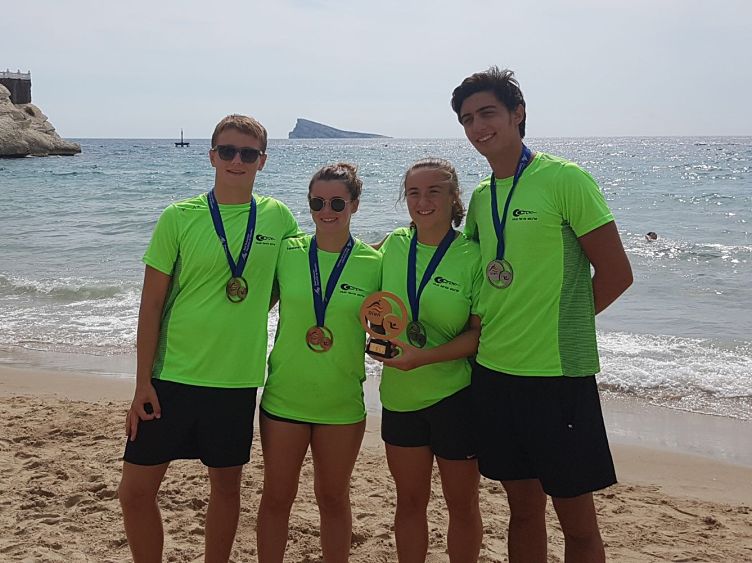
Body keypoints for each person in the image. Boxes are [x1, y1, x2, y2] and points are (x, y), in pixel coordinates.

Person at [451, 67, 633, 563]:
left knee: (577, 523)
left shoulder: (565, 179)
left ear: (518, 113)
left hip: (558, 379)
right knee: (523, 512)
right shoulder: (482, 199)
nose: (477, 126)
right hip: (494, 375)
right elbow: (472, 275)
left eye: (487, 113)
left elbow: (617, 273)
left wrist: (563, 324)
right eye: (467, 119)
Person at [117, 114, 300, 563]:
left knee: (226, 489)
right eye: (228, 151)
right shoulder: (179, 217)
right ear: (212, 155)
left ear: (263, 161)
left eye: (248, 153)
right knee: (134, 491)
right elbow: (151, 306)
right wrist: (142, 382)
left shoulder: (279, 218)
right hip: (171, 376)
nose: (237, 161)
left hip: (236, 381)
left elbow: (295, 283)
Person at [256, 163, 381, 563]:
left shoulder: (374, 263)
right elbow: (250, 301)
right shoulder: (286, 252)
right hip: (283, 399)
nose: (326, 210)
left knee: (333, 499)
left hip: (341, 403)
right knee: (276, 497)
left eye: (337, 202)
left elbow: (391, 323)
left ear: (355, 205)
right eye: (317, 202)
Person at [373, 158, 483, 563]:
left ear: (454, 197)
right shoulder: (391, 245)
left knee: (463, 505)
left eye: (434, 191)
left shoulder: (472, 256)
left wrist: (424, 356)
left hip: (455, 397)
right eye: (414, 193)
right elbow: (366, 303)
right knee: (409, 502)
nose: (423, 201)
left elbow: (477, 335)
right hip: (399, 396)